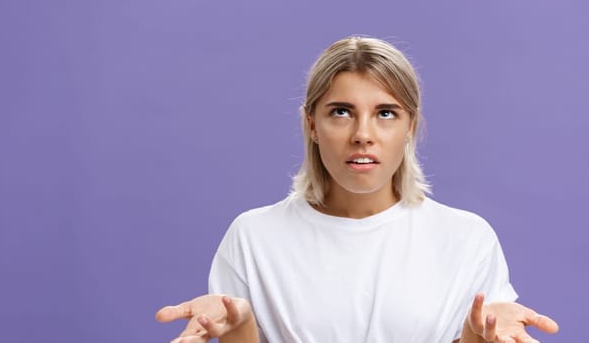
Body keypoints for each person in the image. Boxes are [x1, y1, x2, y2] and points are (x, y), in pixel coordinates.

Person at [155, 36, 560, 343]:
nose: (363, 135)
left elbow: (479, 333)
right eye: (341, 112)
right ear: (312, 124)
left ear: (410, 127)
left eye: (386, 113)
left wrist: (478, 335)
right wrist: (239, 326)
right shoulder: (253, 237)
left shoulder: (467, 238)